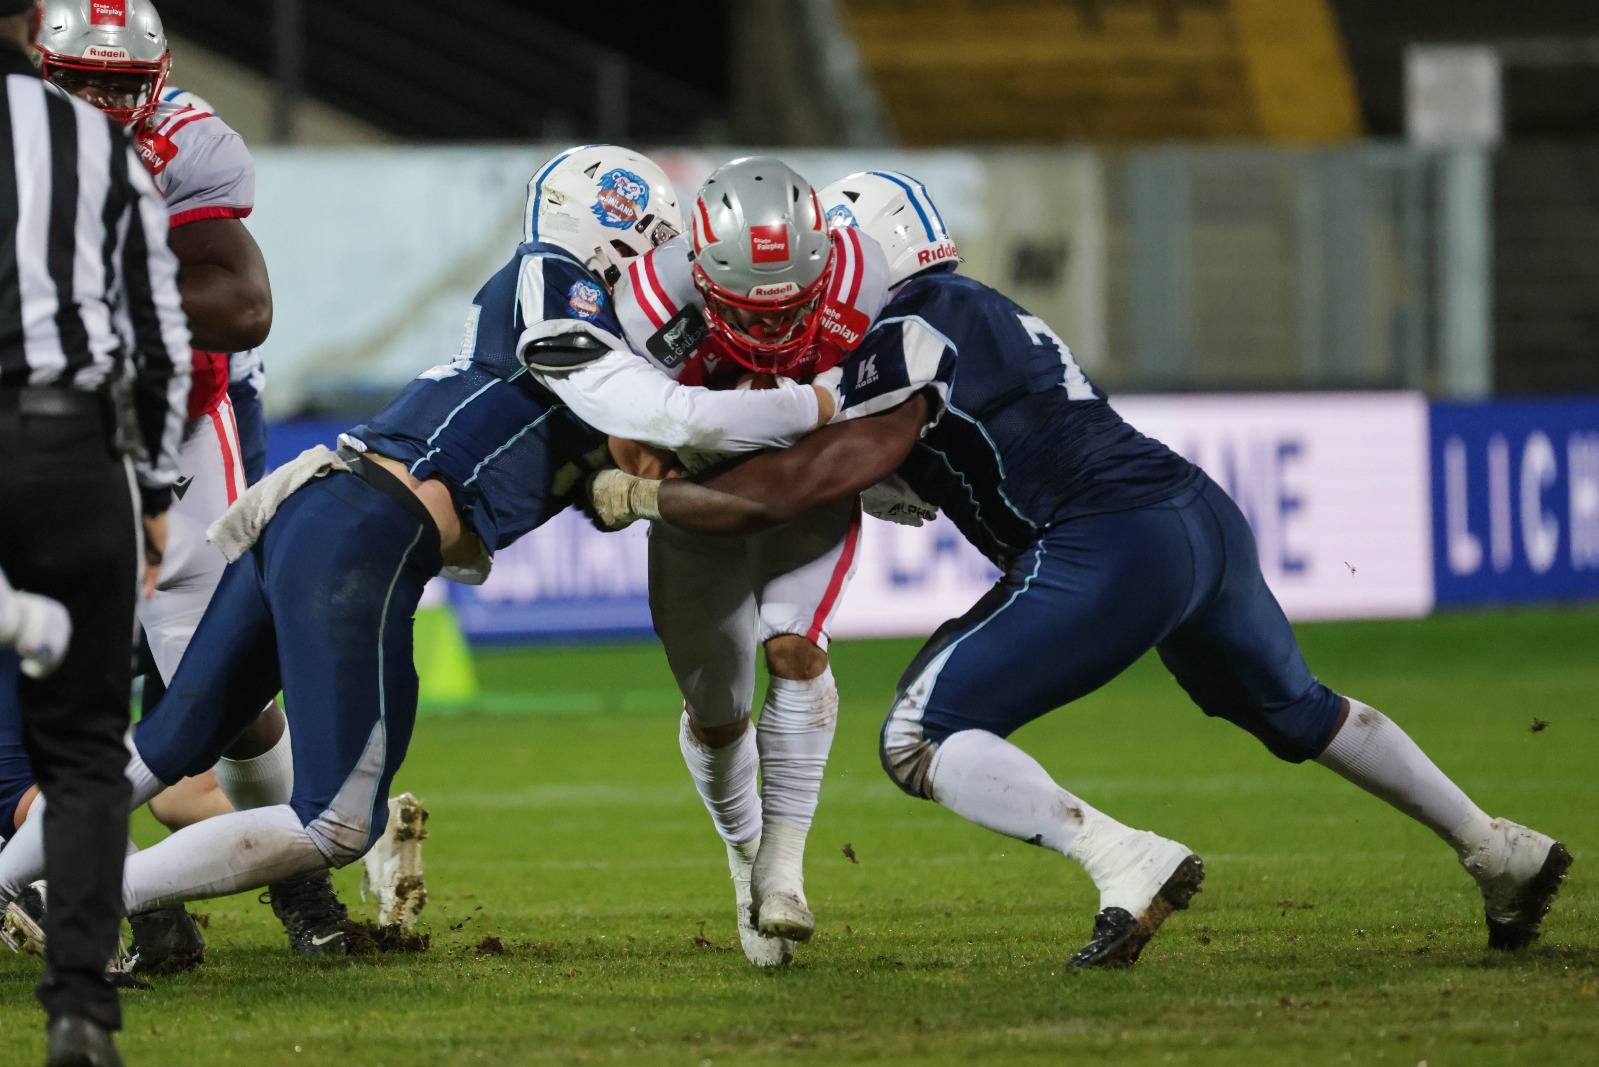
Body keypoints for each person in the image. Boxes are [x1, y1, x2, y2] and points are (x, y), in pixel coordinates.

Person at [588, 170, 1573, 968]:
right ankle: (1495, 847)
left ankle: (1124, 857)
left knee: (915, 735)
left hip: (1108, 538)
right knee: (1299, 708)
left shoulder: (908, 329)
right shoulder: (974, 310)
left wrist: (647, 495)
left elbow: (796, 485)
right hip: (1196, 516)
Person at [0, 145, 843, 935]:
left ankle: (8, 876)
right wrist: (813, 405)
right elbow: (657, 416)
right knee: (336, 821)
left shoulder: (556, 316)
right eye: (655, 241)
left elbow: (619, 460)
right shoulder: (570, 313)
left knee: (162, 748)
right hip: (366, 538)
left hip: (316, 505)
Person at [8, 0, 331, 964]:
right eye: (84, 84)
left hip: (178, 429)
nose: (106, 108)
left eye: (123, 87)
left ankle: (300, 875)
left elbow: (243, 305)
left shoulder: (189, 142)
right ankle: (141, 899)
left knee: (220, 692)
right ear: (39, 65)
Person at [606, 156, 889, 965]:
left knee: (796, 648)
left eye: (790, 310)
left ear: (824, 265)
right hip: (701, 509)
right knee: (718, 711)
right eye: (747, 315)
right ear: (703, 276)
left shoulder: (864, 275)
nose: (770, 333)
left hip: (809, 487)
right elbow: (635, 456)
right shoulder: (650, 304)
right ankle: (745, 855)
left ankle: (783, 869)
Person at [0, 0, 192, 1058]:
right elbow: (158, 327)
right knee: (81, 753)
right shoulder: (88, 139)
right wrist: (158, 486)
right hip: (69, 449)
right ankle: (79, 1005)